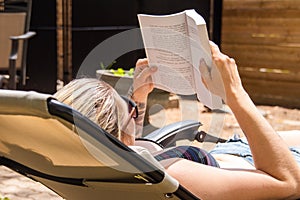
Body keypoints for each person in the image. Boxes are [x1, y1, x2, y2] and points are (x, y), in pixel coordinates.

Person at [54, 41, 300, 199]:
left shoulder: (97, 168)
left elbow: (128, 143)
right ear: (114, 135)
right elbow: (288, 182)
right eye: (129, 111)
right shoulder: (176, 177)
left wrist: (137, 98)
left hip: (235, 150)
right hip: (267, 164)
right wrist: (235, 94)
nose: (133, 111)